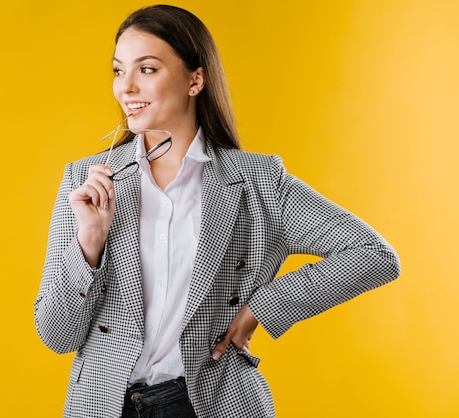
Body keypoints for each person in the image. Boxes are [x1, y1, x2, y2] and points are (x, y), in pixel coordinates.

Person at [34, 5, 400, 417]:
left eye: (147, 69)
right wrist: (89, 244)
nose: (127, 88)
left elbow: (375, 255)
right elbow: (57, 334)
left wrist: (264, 306)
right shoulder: (84, 181)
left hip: (210, 404)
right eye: (119, 71)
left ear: (196, 79)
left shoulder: (258, 182)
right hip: (102, 405)